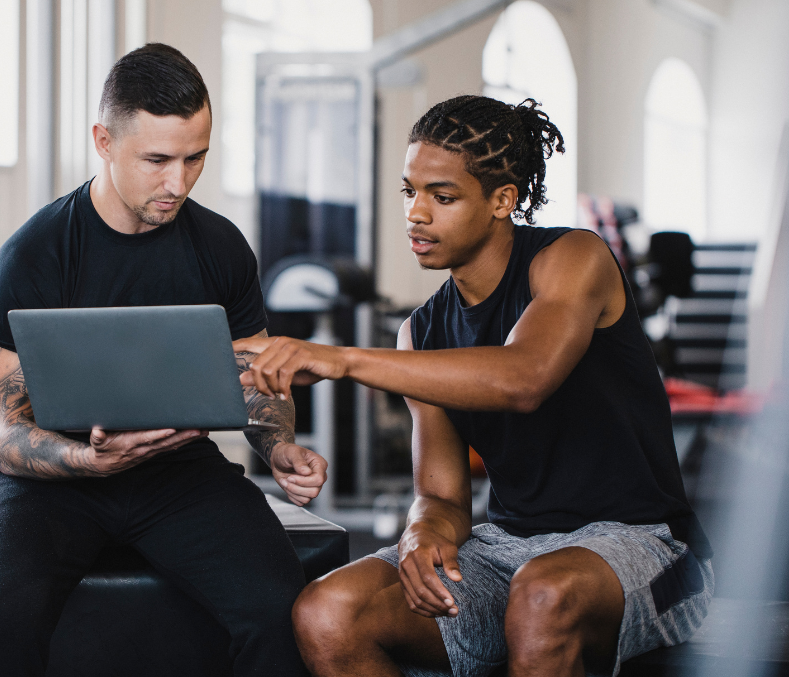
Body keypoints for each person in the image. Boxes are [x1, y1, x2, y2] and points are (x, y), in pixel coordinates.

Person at [235, 96, 713, 677]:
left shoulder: (573, 257)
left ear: (502, 201)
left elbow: (524, 378)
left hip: (646, 545)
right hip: (508, 548)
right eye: (409, 191)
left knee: (543, 596)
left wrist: (342, 360)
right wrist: (422, 533)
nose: (416, 213)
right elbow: (441, 496)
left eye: (443, 197)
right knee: (328, 613)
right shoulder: (422, 331)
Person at [0, 43, 327, 676]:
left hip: (176, 472)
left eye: (195, 158)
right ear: (104, 141)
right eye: (157, 160)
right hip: (50, 485)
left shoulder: (220, 247)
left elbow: (254, 379)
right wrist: (88, 460)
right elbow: (7, 434)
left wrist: (278, 447)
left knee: (281, 614)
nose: (178, 183)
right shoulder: (33, 256)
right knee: (2, 628)